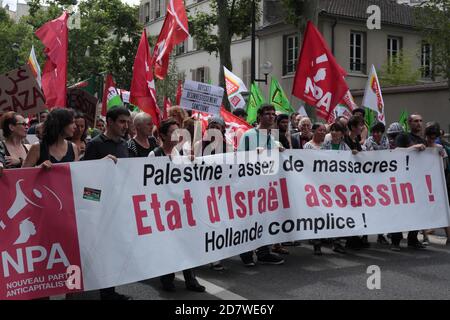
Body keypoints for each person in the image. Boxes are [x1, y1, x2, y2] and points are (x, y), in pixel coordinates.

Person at [149, 118, 206, 292]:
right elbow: (149, 182)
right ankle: (167, 278)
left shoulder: (182, 154)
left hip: (182, 207)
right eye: (173, 131)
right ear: (163, 135)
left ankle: (191, 278)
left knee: (186, 242)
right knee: (168, 244)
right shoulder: (154, 155)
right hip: (164, 208)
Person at [83, 106, 132, 300]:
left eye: (127, 122)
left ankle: (109, 290)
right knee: (102, 251)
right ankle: (105, 291)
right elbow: (86, 177)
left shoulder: (124, 144)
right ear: (109, 122)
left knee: (114, 250)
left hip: (119, 205)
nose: (125, 126)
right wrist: (94, 207)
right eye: (121, 121)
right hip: (101, 207)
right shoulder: (95, 144)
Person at [238, 104, 285, 266]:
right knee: (249, 220)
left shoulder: (273, 138)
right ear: (259, 116)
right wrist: (253, 155)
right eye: (267, 114)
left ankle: (264, 252)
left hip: (267, 187)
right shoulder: (248, 135)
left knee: (265, 219)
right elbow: (239, 160)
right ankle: (246, 253)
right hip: (251, 186)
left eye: (273, 114)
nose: (271, 117)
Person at [363, 122, 390, 245]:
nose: (376, 134)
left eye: (379, 132)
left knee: (381, 209)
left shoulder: (386, 142)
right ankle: (364, 235)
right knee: (368, 208)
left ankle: (380, 234)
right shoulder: (368, 142)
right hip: (369, 179)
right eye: (374, 132)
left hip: (382, 180)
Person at [423, 122, 450, 245]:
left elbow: (444, 166)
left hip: (437, 183)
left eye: (434, 135)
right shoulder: (421, 146)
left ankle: (449, 236)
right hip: (422, 183)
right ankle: (424, 236)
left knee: (443, 209)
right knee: (422, 208)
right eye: (430, 135)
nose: (432, 138)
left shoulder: (440, 148)